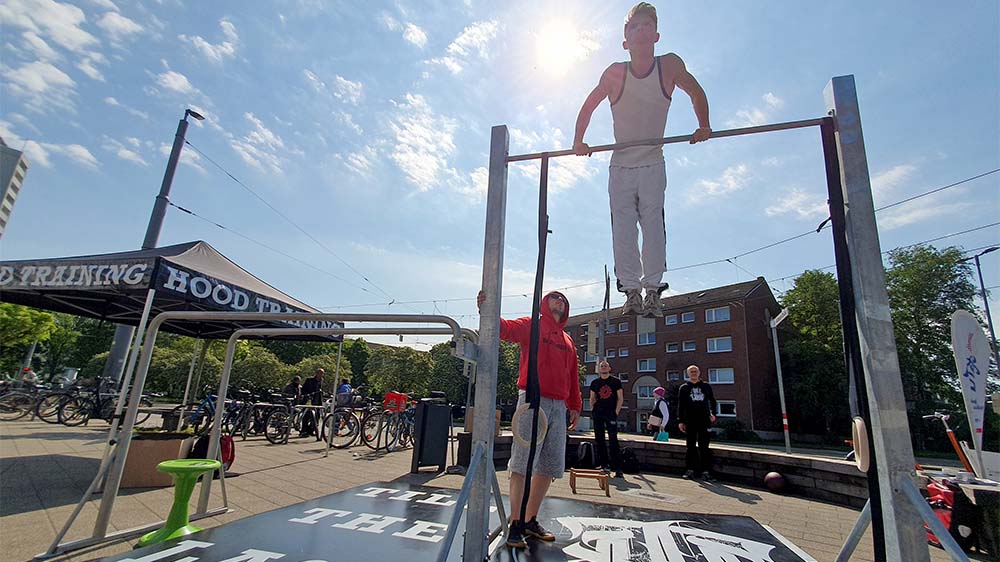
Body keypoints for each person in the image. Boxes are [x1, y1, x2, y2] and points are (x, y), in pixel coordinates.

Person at [573, 2, 711, 317]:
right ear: (626, 40)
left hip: (652, 161)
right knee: (623, 230)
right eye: (635, 26)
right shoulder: (615, 72)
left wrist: (703, 124)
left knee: (653, 227)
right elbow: (589, 104)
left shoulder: (669, 65)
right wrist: (578, 141)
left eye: (648, 25)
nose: (642, 30)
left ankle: (652, 292)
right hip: (621, 164)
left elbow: (696, 91)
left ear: (657, 35)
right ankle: (631, 292)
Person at [478, 289, 582, 549]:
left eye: (564, 299)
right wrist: (486, 309)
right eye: (555, 297)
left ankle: (529, 520)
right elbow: (504, 329)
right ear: (545, 303)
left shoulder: (568, 340)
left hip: (558, 405)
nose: (560, 300)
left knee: (549, 465)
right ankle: (515, 523)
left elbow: (572, 376)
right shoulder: (532, 325)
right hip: (533, 399)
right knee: (523, 462)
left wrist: (575, 405)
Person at [677, 365, 717, 480]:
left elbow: (712, 401)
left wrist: (713, 413)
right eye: (691, 372)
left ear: (699, 373)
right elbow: (681, 405)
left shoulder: (706, 386)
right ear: (688, 374)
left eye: (695, 371)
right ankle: (690, 470)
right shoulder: (684, 388)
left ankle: (706, 471)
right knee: (690, 446)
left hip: (704, 420)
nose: (694, 373)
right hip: (690, 421)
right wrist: (680, 421)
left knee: (704, 446)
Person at [589, 360, 624, 478]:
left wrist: (616, 412)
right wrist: (593, 410)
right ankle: (604, 465)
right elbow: (592, 398)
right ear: (599, 369)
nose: (603, 367)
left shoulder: (616, 381)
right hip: (598, 413)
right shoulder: (595, 383)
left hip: (611, 413)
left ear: (609, 368)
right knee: (599, 439)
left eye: (605, 366)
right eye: (601, 366)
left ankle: (617, 467)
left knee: (613, 440)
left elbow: (620, 398)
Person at [299, 369, 324, 437]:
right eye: (320, 373)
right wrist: (306, 395)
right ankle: (304, 430)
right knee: (306, 416)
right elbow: (304, 389)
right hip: (309, 399)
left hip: (317, 401)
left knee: (317, 416)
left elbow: (319, 390)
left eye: (322, 373)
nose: (321, 375)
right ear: (316, 373)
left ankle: (311, 430)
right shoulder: (309, 380)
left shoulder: (321, 380)